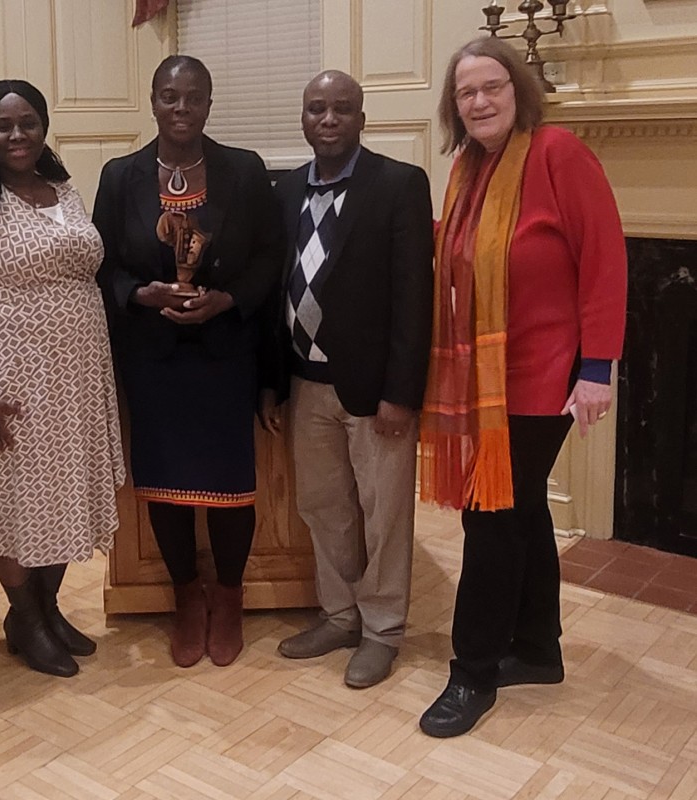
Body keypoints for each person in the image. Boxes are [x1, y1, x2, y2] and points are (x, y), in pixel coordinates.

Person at [418, 37, 627, 737]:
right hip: (488, 378)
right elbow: (455, 248)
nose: (479, 101)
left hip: (547, 376)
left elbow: (604, 257)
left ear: (519, 90)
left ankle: (471, 673)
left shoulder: (558, 153)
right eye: (466, 92)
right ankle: (537, 649)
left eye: (491, 87)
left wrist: (598, 368)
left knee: (493, 517)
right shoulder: (468, 169)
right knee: (523, 507)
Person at [0, 80, 124, 679]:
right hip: (8, 384)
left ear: (43, 127)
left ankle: (45, 607)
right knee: (13, 498)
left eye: (28, 122)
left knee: (68, 490)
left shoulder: (63, 190)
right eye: (3, 126)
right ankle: (25, 616)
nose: (18, 135)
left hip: (78, 379)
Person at [93, 55, 283, 668]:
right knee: (166, 488)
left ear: (209, 102)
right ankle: (185, 599)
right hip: (154, 359)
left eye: (193, 97)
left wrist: (226, 299)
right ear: (152, 100)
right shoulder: (120, 176)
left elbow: (268, 258)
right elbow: (103, 265)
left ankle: (227, 597)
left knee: (231, 486)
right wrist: (140, 294)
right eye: (170, 96)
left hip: (225, 355)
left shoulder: (245, 171)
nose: (181, 108)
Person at [260, 71, 434, 689]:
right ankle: (339, 615)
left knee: (383, 512)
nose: (328, 119)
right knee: (323, 507)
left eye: (341, 109)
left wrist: (402, 393)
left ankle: (382, 629)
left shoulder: (399, 185)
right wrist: (272, 384)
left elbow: (416, 297)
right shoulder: (283, 192)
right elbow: (275, 289)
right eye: (316, 109)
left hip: (374, 391)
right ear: (303, 119)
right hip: (306, 385)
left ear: (360, 118)